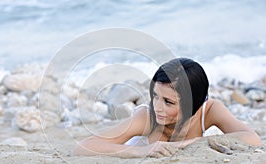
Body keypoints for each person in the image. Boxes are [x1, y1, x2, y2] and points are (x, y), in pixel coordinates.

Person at [73, 58, 262, 158]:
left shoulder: (209, 110)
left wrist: (194, 143)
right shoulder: (147, 117)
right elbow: (84, 147)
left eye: (168, 102)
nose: (157, 107)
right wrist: (139, 151)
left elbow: (252, 139)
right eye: (155, 96)